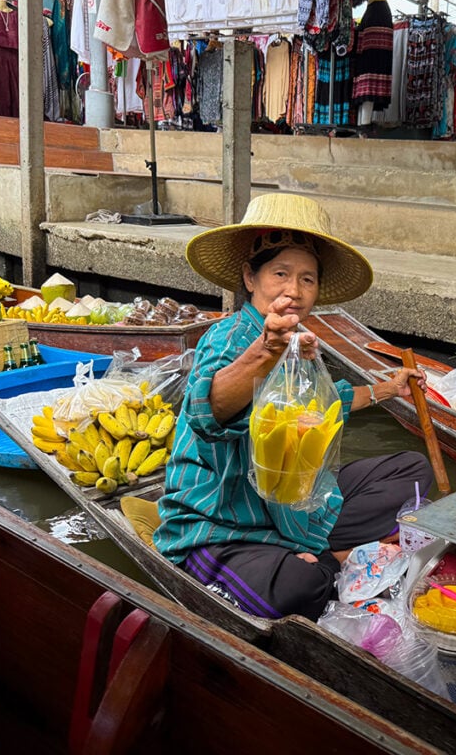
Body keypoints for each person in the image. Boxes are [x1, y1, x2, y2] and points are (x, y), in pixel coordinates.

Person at [153, 193, 433, 621]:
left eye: (307, 279)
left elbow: (328, 401)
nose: (294, 290)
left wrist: (388, 389)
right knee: (301, 588)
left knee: (412, 471)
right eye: (280, 273)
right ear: (250, 277)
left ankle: (316, 551)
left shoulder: (300, 343)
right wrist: (265, 350)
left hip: (292, 507)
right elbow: (207, 410)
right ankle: (321, 559)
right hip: (223, 522)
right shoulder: (231, 339)